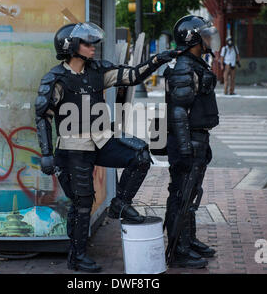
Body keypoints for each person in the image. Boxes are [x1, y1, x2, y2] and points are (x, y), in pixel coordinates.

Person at [35, 22, 179, 273]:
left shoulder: (98, 71)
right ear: (71, 47)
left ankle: (120, 204)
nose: (92, 47)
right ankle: (77, 256)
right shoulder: (56, 79)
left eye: (93, 43)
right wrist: (47, 154)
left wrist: (158, 60)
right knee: (82, 202)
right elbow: (42, 116)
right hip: (73, 148)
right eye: (86, 43)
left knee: (141, 155)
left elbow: (132, 75)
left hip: (101, 140)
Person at [163, 15, 220, 268]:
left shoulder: (196, 64)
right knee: (182, 193)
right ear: (193, 39)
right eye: (205, 35)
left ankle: (189, 239)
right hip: (188, 140)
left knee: (191, 193)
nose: (210, 39)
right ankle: (179, 250)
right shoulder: (185, 67)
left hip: (197, 137)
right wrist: (186, 149)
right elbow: (178, 112)